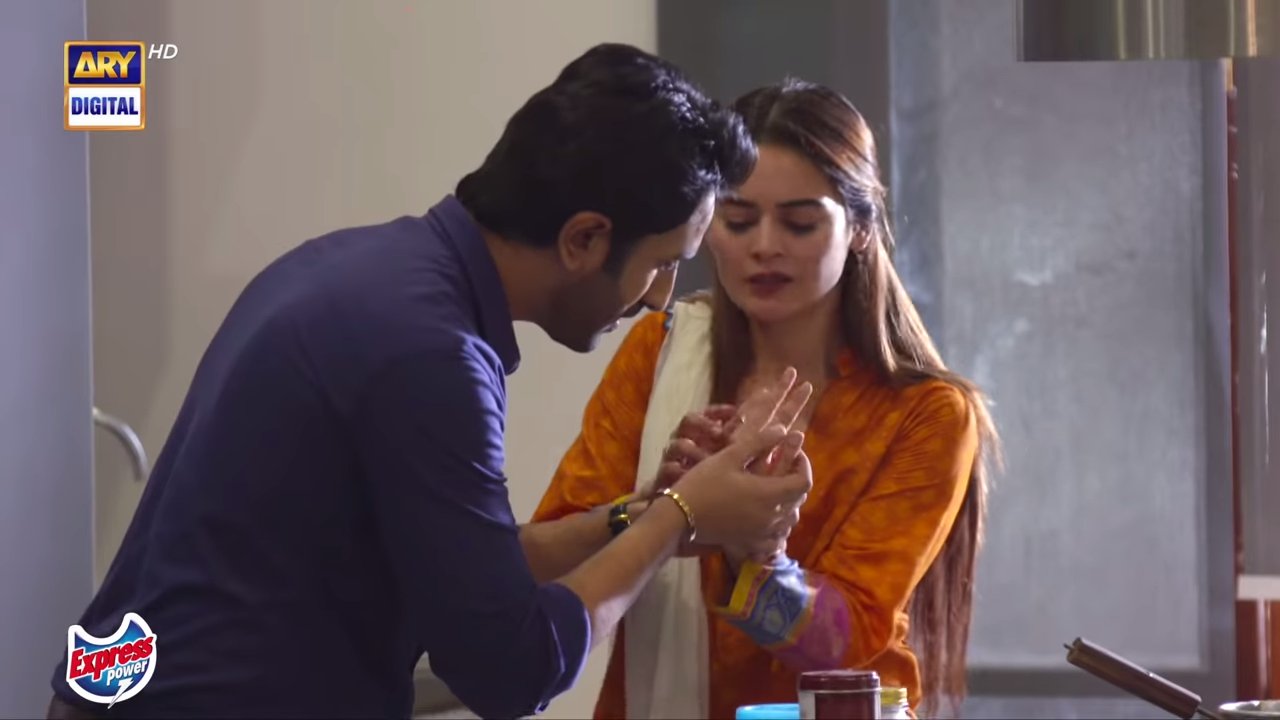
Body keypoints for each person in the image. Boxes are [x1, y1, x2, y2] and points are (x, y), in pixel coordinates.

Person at [45, 45, 816, 720]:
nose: (659, 297)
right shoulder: (430, 354)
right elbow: (510, 667)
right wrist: (678, 516)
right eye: (661, 263)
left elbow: (465, 570)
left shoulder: (362, 272)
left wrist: (636, 519)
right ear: (584, 239)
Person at [533, 79, 1002, 719]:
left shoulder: (926, 415)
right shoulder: (659, 353)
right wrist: (660, 510)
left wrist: (756, 551)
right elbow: (545, 560)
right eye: (738, 220)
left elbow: (848, 643)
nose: (764, 246)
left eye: (799, 223)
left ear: (861, 229)